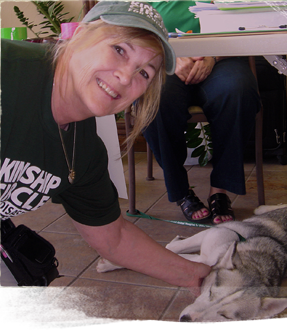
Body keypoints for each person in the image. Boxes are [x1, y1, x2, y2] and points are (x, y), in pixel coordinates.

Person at [0, 1, 210, 323]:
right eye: (120, 50)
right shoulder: (8, 70)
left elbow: (115, 239)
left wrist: (196, 274)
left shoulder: (83, 152)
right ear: (80, 34)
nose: (126, 77)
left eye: (144, 72)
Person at [143, 1, 261, 225]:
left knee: (237, 90)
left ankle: (220, 190)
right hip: (165, 61)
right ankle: (182, 190)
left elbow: (243, 25)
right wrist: (168, 57)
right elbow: (129, 31)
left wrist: (213, 57)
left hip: (222, 57)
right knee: (156, 98)